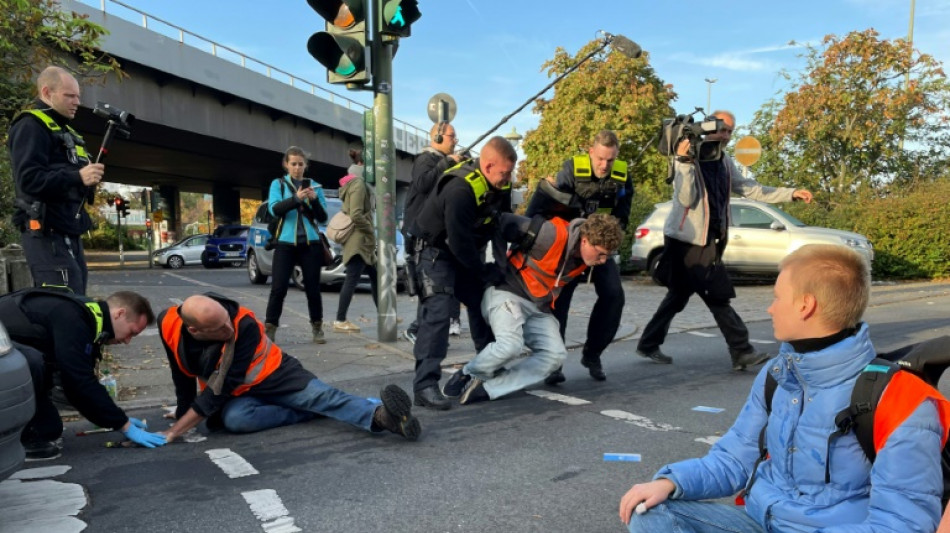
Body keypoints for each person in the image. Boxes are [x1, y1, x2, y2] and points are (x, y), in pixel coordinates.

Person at [619, 244, 950, 533]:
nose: (770, 308)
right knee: (649, 512)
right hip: (758, 521)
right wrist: (671, 482)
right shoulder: (778, 374)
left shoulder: (901, 399)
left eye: (778, 297)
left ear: (805, 305)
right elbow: (734, 460)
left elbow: (902, 524)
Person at [636, 110, 814, 370]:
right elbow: (686, 199)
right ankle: (741, 350)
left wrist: (790, 194)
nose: (727, 136)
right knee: (717, 295)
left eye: (731, 131)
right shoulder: (689, 156)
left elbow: (749, 188)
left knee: (678, 295)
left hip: (709, 239)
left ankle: (648, 344)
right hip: (687, 241)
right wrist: (684, 162)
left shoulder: (723, 160)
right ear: (708, 126)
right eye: (723, 129)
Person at [158, 293, 420, 441]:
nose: (229, 329)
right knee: (236, 420)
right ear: (194, 330)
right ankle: (311, 411)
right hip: (238, 393)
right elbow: (181, 374)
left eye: (228, 320)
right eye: (219, 328)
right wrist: (184, 412)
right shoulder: (168, 323)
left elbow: (220, 387)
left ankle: (382, 417)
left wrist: (175, 430)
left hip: (277, 375)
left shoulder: (243, 325)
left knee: (323, 397)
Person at [442, 213, 624, 404]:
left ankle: (489, 389)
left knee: (556, 355)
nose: (603, 260)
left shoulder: (585, 257)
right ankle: (468, 373)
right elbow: (501, 221)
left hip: (537, 308)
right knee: (510, 345)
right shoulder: (550, 235)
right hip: (507, 293)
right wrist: (496, 267)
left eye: (608, 255)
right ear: (585, 241)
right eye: (601, 253)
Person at [406, 136, 516, 410]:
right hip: (435, 252)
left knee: (484, 303)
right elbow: (458, 241)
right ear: (488, 165)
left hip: (463, 252)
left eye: (509, 172)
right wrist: (481, 271)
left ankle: (487, 367)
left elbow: (498, 226)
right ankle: (425, 386)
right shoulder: (460, 188)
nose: (507, 178)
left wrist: (499, 270)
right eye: (504, 173)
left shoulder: (499, 185)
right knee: (440, 311)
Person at [0, 288, 164, 459]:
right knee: (30, 361)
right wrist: (123, 424)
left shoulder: (90, 320)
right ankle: (16, 440)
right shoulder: (74, 318)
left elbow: (78, 386)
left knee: (49, 429)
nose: (127, 341)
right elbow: (79, 381)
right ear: (119, 314)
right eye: (132, 332)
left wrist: (116, 420)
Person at [526, 130, 633, 385]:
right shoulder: (571, 170)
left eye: (610, 160)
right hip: (571, 247)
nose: (604, 165)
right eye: (600, 159)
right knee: (559, 304)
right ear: (591, 152)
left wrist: (607, 240)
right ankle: (554, 363)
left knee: (614, 296)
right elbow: (546, 204)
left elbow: (623, 216)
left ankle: (592, 354)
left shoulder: (622, 176)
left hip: (599, 246)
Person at [8, 66, 105, 295]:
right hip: (45, 229)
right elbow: (28, 179)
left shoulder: (67, 132)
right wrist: (77, 176)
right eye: (69, 95)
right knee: (62, 300)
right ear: (46, 92)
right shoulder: (31, 125)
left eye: (78, 96)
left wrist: (87, 180)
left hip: (67, 226)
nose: (76, 102)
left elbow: (70, 182)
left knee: (76, 295)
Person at [402, 122, 464, 344]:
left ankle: (424, 329)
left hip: (431, 233)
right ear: (437, 137)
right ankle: (417, 329)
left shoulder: (440, 162)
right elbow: (422, 183)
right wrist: (447, 163)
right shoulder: (426, 159)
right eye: (451, 136)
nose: (455, 140)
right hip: (420, 233)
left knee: (437, 283)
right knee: (429, 283)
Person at [263, 146, 329, 343]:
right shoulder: (279, 184)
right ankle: (270, 328)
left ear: (306, 165)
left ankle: (317, 327)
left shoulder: (315, 186)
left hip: (311, 244)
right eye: (293, 164)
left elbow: (323, 218)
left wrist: (314, 201)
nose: (297, 168)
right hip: (285, 243)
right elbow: (275, 209)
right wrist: (296, 199)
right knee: (278, 288)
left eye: (301, 164)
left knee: (312, 288)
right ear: (286, 165)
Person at [333, 151, 378, 333]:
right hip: (359, 240)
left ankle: (385, 312)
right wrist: (370, 231)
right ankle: (340, 320)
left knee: (376, 277)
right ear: (361, 164)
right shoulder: (358, 184)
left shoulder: (354, 181)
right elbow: (356, 214)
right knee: (352, 279)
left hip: (361, 240)